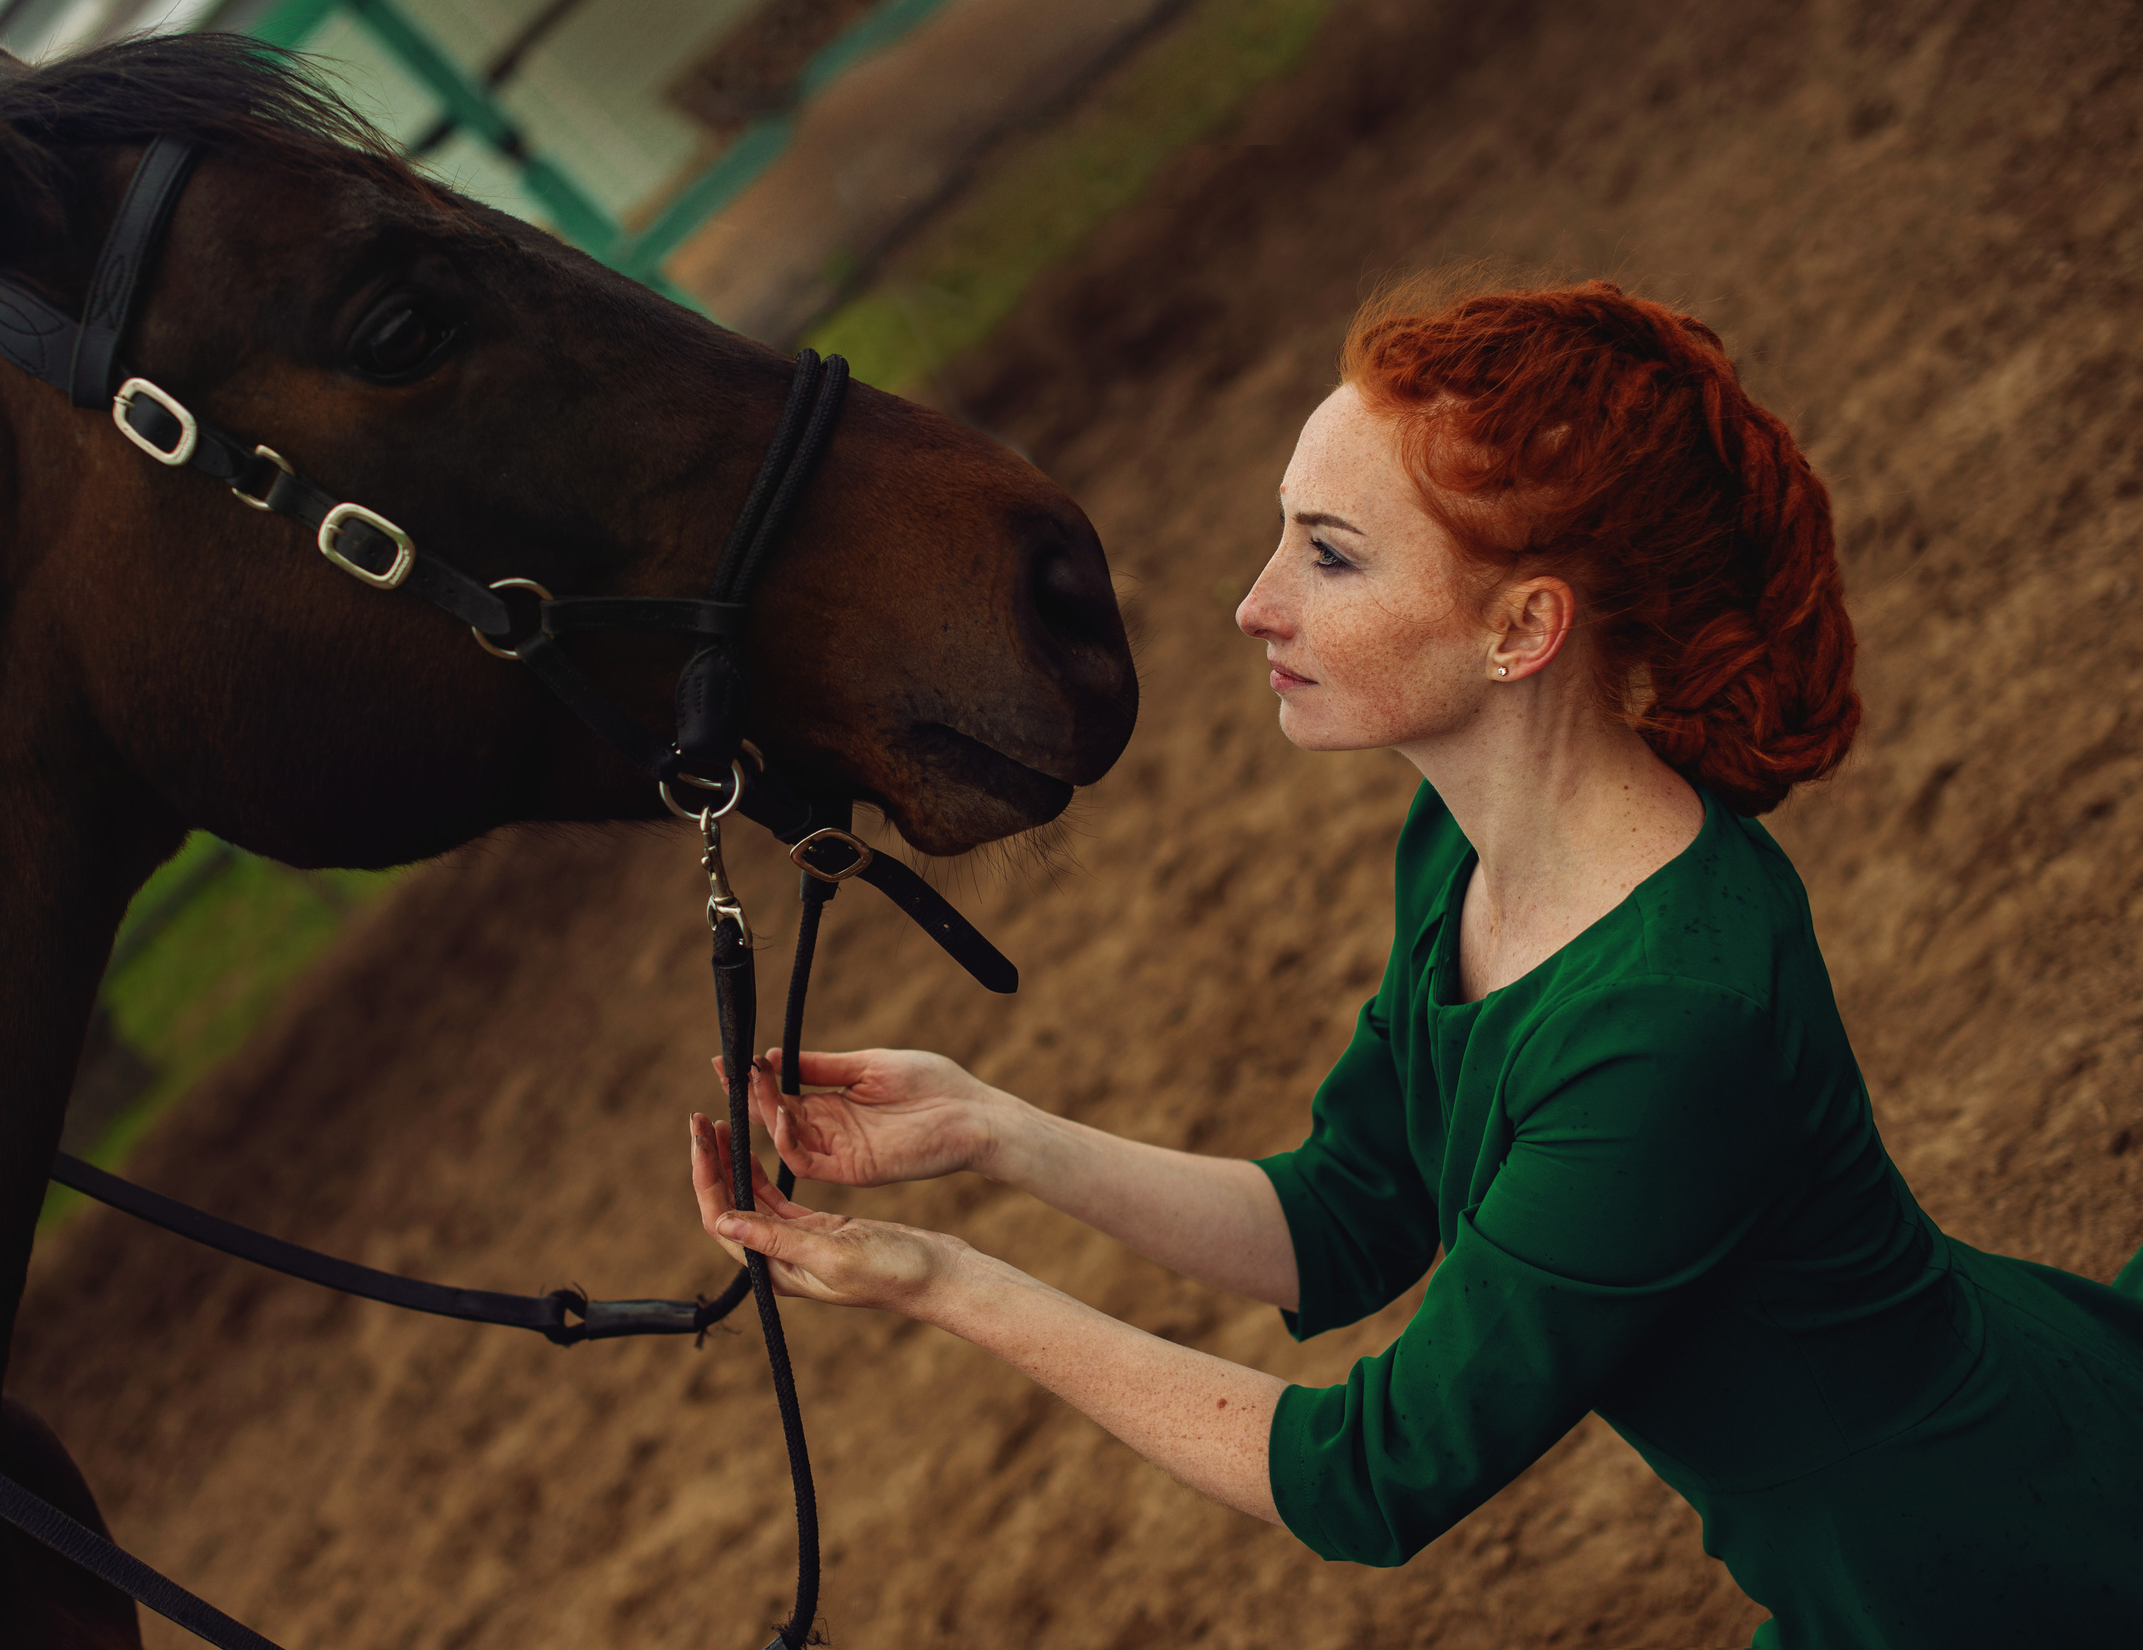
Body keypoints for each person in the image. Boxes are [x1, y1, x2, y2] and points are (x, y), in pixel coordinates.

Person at [687, 280, 2143, 1648]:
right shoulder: (1459, 847)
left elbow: (1374, 1472)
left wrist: (946, 1281)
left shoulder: (1670, 1025)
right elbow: (1347, 1214)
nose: (1257, 604)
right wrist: (991, 1133)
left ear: (1523, 629)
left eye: (1328, 552)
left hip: (1981, 1561)